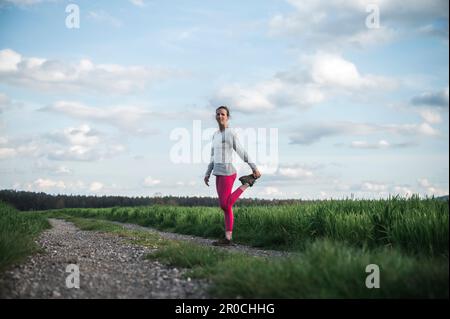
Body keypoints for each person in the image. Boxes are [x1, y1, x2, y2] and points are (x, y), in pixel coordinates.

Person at [204, 105, 261, 246]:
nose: (220, 116)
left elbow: (241, 151)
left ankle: (247, 183)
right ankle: (227, 238)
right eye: (218, 114)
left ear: (227, 117)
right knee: (226, 207)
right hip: (218, 173)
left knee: (225, 204)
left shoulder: (230, 133)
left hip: (228, 172)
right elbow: (213, 156)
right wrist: (208, 172)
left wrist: (253, 167)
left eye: (223, 114)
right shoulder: (215, 135)